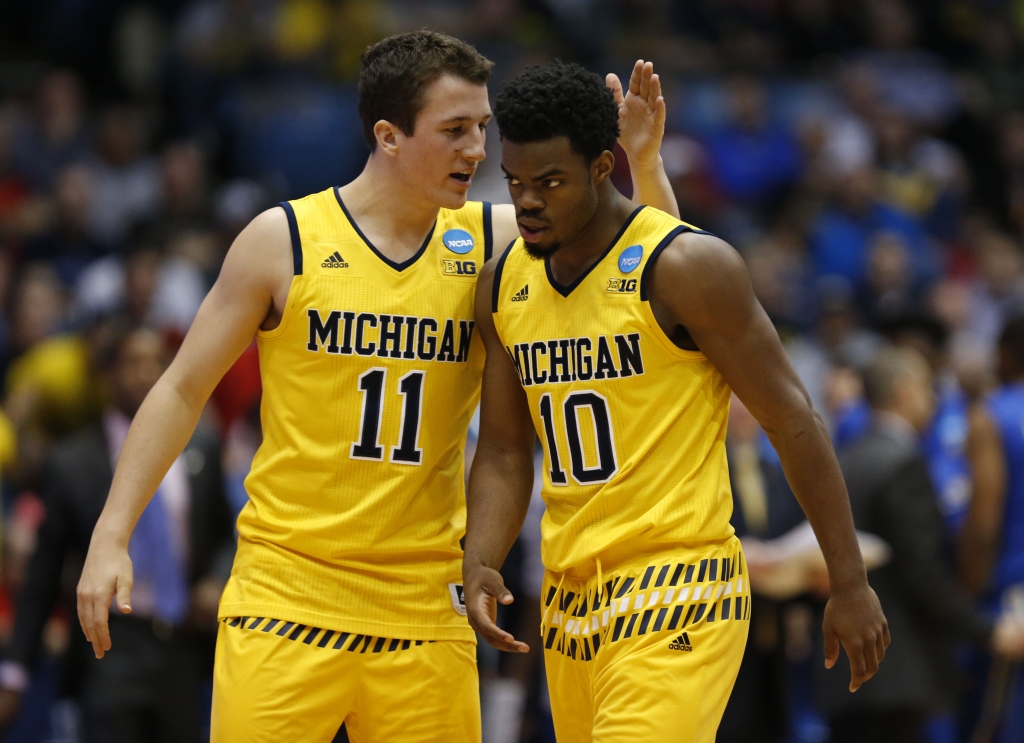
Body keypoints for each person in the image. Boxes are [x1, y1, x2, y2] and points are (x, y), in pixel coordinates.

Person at [75, 31, 679, 743]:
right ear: (389, 136)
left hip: (426, 607)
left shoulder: (493, 242)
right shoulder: (283, 240)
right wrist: (110, 534)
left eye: (482, 129)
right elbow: (181, 390)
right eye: (455, 130)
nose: (478, 151)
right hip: (287, 596)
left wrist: (642, 159)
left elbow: (656, 277)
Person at [463, 60, 889, 743]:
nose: (528, 201)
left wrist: (849, 578)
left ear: (604, 167)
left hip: (680, 584)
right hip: (569, 602)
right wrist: (481, 554)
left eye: (550, 183)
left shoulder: (687, 266)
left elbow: (792, 418)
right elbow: (509, 449)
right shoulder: (501, 285)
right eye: (516, 182)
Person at [0, 327, 234, 743]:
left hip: (183, 643)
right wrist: (15, 673)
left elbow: (228, 534)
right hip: (108, 646)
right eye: (132, 362)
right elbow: (42, 576)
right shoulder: (72, 462)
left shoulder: (203, 445)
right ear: (106, 375)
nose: (145, 373)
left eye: (156, 364)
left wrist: (216, 579)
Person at [817, 346, 1024, 743]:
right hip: (896, 671)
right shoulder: (905, 465)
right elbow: (924, 574)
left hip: (842, 669)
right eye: (929, 389)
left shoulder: (843, 460)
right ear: (905, 391)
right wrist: (988, 630)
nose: (934, 401)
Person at [960, 316, 1024, 742]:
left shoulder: (992, 415)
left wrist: (965, 602)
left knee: (992, 725)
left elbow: (984, 523)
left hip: (1012, 602)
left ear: (1004, 355)